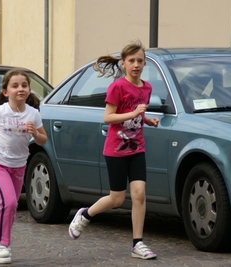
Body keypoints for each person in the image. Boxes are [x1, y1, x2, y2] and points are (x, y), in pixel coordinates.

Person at [68, 40, 159, 260]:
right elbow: (108, 117)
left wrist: (147, 119)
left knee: (139, 194)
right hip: (116, 150)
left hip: (137, 148)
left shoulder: (146, 88)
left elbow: (136, 112)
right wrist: (133, 114)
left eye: (140, 61)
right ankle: (85, 214)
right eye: (131, 61)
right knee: (117, 199)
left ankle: (138, 243)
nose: (136, 65)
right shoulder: (117, 87)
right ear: (124, 64)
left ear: (144, 63)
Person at [0, 68, 47, 264]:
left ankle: (2, 241)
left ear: (29, 90)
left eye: (24, 85)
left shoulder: (33, 114)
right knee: (9, 202)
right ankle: (1, 243)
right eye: (15, 86)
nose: (20, 89)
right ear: (6, 92)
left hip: (19, 165)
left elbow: (42, 140)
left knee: (10, 207)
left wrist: (35, 134)